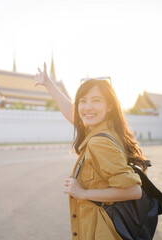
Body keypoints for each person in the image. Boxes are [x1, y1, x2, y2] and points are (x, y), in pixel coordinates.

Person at [35, 63, 148, 240]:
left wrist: (82, 193)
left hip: (101, 231)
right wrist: (49, 84)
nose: (87, 107)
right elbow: (72, 113)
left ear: (109, 106)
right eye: (83, 100)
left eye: (96, 100)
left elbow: (133, 190)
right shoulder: (106, 129)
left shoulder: (99, 142)